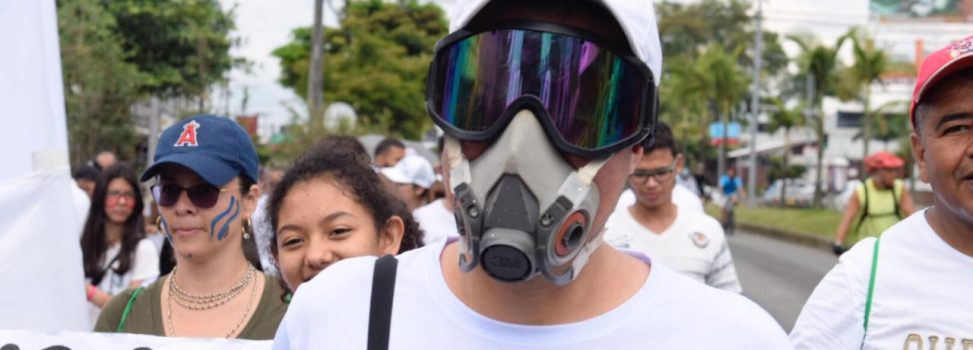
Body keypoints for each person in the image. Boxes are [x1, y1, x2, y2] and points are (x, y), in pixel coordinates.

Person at [273, 1, 790, 348]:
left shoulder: (730, 339)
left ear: (637, 142)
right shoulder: (340, 316)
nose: (519, 145)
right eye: (487, 97)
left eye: (582, 109)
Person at [790, 34, 973, 349]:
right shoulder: (863, 278)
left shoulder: (899, 191)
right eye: (957, 128)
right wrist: (842, 242)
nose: (887, 175)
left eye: (891, 170)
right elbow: (849, 217)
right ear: (920, 156)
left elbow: (907, 212)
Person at [94, 115, 287, 339]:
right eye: (169, 191)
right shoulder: (122, 315)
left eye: (204, 191)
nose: (183, 207)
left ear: (250, 200)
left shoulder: (291, 312)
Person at [604, 122, 742, 292]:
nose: (651, 184)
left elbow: (731, 303)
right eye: (640, 174)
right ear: (626, 166)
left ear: (678, 164)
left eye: (661, 173)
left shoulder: (709, 231)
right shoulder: (604, 235)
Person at [267, 148, 424, 293]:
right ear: (276, 256)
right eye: (293, 241)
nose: (315, 256)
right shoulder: (283, 323)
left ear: (388, 237)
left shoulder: (424, 321)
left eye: (338, 231)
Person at [81, 164, 160, 324]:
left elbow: (131, 309)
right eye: (114, 193)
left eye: (129, 195)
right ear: (100, 197)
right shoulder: (82, 245)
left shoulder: (143, 249)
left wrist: (86, 291)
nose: (122, 201)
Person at [831, 151, 916, 255]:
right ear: (877, 172)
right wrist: (838, 242)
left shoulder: (899, 188)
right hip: (868, 250)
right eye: (889, 170)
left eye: (895, 170)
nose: (894, 174)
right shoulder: (861, 192)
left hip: (892, 247)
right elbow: (847, 219)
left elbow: (912, 216)